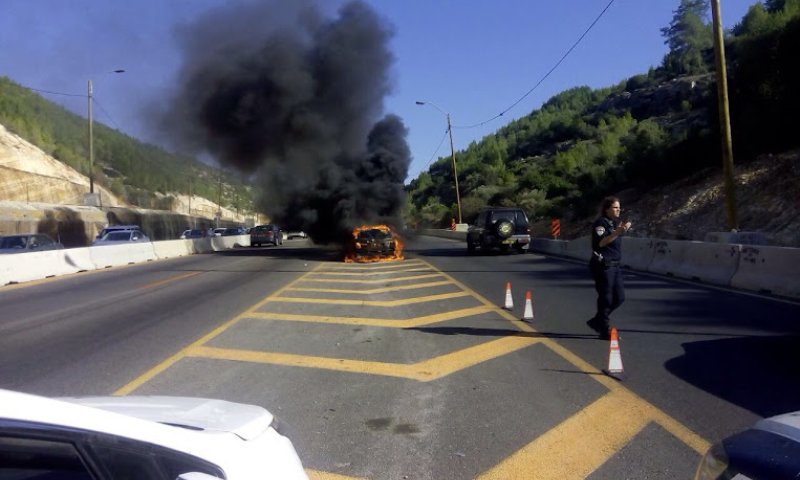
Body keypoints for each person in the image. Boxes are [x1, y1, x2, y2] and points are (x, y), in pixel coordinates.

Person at [587, 196, 632, 339]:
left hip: (615, 265)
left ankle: (597, 320)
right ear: (607, 209)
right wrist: (617, 232)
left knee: (619, 297)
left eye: (619, 207)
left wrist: (620, 230)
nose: (618, 210)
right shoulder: (601, 223)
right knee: (606, 298)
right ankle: (604, 328)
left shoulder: (614, 224)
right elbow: (601, 243)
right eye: (615, 207)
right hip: (603, 266)